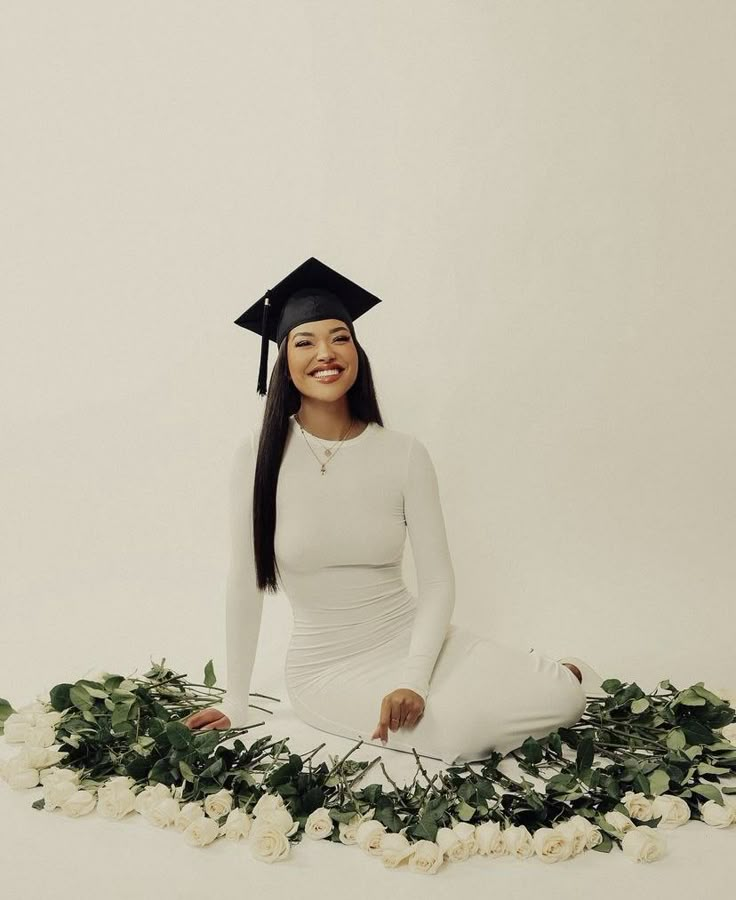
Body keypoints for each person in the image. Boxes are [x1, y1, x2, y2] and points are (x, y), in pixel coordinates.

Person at [184, 256, 595, 765]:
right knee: (454, 734)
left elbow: (439, 581)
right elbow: (244, 580)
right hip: (329, 669)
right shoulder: (257, 454)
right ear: (284, 361)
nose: (326, 354)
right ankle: (525, 679)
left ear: (357, 351)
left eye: (340, 337)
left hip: (415, 642)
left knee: (564, 697)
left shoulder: (403, 453)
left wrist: (412, 676)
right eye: (305, 342)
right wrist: (236, 701)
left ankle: (547, 677)